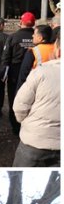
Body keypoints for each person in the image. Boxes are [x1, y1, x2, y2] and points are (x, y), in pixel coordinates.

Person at [12, 39, 61, 167]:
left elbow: (20, 106)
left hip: (35, 141)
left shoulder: (41, 72)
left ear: (59, 50)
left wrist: (25, 122)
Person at [2, 12, 36, 136]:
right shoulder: (38, 36)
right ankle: (29, 125)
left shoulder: (13, 37)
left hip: (15, 73)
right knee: (33, 99)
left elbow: (5, 57)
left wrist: (4, 74)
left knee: (14, 98)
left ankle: (16, 126)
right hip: (34, 72)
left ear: (21, 22)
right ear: (34, 23)